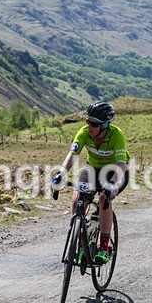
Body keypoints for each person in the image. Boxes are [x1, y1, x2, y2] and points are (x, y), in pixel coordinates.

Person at [52, 102, 129, 264]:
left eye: (94, 124)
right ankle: (81, 242)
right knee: (78, 199)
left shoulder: (116, 135)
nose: (89, 126)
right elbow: (72, 155)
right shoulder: (84, 132)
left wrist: (112, 184)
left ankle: (104, 247)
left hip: (114, 171)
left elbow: (121, 165)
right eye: (88, 121)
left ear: (105, 125)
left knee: (104, 199)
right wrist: (61, 173)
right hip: (92, 168)